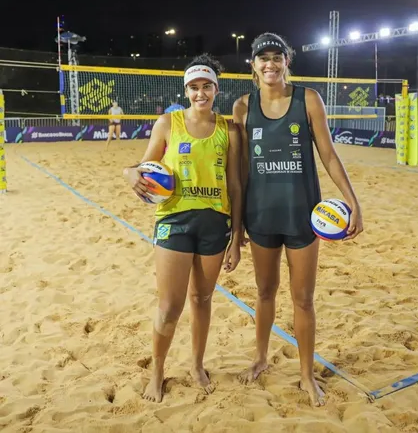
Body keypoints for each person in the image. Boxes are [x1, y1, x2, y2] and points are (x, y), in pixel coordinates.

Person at [232, 33, 364, 407]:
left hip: (303, 215)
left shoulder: (308, 99)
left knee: (303, 299)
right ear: (253, 65)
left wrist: (353, 202)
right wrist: (237, 224)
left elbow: (329, 155)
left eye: (277, 57)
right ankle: (259, 358)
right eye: (263, 58)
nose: (270, 64)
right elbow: (239, 172)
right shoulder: (243, 106)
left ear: (287, 61)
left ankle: (306, 374)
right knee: (263, 292)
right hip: (260, 215)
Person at [124, 54, 242, 403]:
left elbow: (236, 185)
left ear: (216, 89)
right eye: (194, 87)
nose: (200, 92)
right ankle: (157, 372)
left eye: (207, 86)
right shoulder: (167, 123)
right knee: (170, 306)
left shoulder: (230, 129)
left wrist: (236, 237)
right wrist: (129, 173)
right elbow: (143, 164)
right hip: (174, 221)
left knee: (202, 299)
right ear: (186, 89)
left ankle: (196, 364)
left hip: (215, 223)